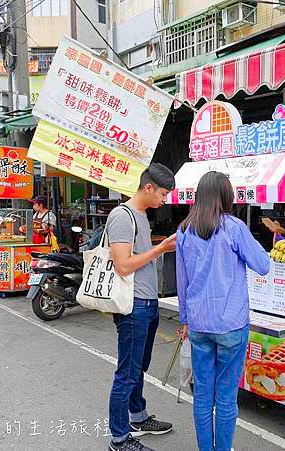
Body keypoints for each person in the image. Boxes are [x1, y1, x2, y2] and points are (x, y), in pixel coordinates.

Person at [176, 171, 270, 451]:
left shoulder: (184, 230)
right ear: (227, 197)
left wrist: (184, 319)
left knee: (203, 395)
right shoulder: (234, 227)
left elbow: (182, 281)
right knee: (226, 397)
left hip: (199, 324)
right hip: (231, 324)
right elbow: (263, 265)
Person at [107, 163, 177, 451]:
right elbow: (123, 265)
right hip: (133, 306)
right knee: (127, 373)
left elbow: (139, 254)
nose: (164, 200)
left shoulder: (142, 217)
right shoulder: (122, 217)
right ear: (148, 188)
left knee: (139, 367)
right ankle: (119, 439)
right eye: (162, 193)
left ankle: (138, 417)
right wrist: (160, 249)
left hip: (148, 303)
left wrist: (159, 245)